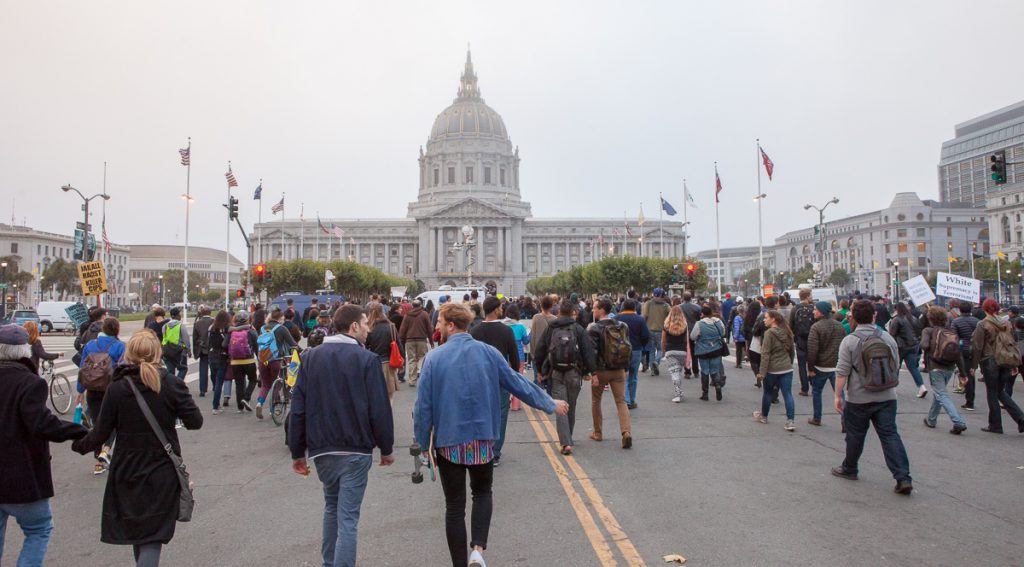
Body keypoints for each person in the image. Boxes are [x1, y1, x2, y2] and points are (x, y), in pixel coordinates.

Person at [414, 303, 568, 567]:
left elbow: (422, 408)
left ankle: (459, 563)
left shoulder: (434, 358)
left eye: (439, 322)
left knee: (454, 506)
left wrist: (423, 444)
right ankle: (478, 549)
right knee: (482, 492)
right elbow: (517, 383)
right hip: (483, 437)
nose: (437, 327)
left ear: (451, 325)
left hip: (449, 441)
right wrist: (549, 403)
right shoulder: (489, 353)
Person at [72, 331, 203, 566]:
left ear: (129, 354)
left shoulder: (117, 387)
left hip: (126, 469)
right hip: (161, 470)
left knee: (139, 534)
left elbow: (101, 432)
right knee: (152, 537)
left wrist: (78, 444)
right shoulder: (170, 384)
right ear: (157, 353)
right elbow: (195, 421)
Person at [288, 305, 395, 567]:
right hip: (355, 447)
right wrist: (386, 447)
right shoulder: (366, 360)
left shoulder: (311, 357)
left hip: (322, 448)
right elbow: (379, 409)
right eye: (364, 324)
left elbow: (298, 407)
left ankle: (329, 562)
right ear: (353, 327)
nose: (368, 329)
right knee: (348, 517)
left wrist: (296, 451)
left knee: (331, 508)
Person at [0, 324, 88, 567]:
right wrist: (80, 431)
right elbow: (42, 424)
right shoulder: (29, 383)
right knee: (38, 530)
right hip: (22, 475)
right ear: (23, 351)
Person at [831, 299, 913, 495]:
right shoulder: (886, 337)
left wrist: (837, 396)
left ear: (853, 317)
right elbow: (896, 363)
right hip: (886, 395)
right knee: (890, 435)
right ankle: (903, 476)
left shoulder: (850, 340)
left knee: (855, 435)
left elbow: (842, 372)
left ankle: (850, 467)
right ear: (874, 316)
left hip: (859, 396)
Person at [534, 299, 597, 455]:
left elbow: (540, 349)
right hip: (574, 372)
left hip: (556, 372)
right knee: (571, 406)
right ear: (573, 313)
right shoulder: (578, 329)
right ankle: (569, 438)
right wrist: (592, 372)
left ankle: (566, 442)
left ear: (559, 312)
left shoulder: (551, 328)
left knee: (560, 406)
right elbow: (587, 351)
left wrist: (540, 371)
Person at [471, 296, 521, 464]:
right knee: (500, 414)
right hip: (500, 379)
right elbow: (514, 358)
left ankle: (482, 447)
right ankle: (495, 452)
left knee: (481, 412)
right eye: (500, 307)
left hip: (479, 380)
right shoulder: (506, 331)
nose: (502, 310)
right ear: (495, 310)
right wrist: (513, 379)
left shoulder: (475, 331)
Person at [78, 317, 127, 474]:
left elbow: (82, 368)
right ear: (117, 329)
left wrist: (80, 391)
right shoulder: (120, 346)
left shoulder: (90, 345)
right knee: (114, 421)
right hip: (111, 389)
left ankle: (98, 459)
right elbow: (123, 369)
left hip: (92, 389)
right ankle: (106, 450)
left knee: (97, 423)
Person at [970, 298, 1024, 434]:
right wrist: (1015, 362)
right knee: (1001, 391)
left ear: (984, 309)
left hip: (990, 360)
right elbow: (1013, 341)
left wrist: (974, 365)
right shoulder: (1006, 323)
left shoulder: (983, 324)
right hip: (1006, 359)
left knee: (992, 392)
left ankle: (995, 424)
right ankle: (1020, 417)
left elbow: (977, 346)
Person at [586, 298, 633, 445]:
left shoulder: (594, 328)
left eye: (595, 308)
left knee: (596, 401)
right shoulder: (622, 326)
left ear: (601, 310)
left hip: (601, 370)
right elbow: (627, 347)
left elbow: (592, 352)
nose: (593, 310)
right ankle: (626, 432)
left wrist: (592, 372)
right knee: (621, 401)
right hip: (618, 368)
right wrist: (626, 367)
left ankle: (598, 432)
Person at [920, 306, 967, 434]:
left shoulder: (928, 330)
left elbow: (924, 345)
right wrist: (963, 373)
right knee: (939, 393)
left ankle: (958, 421)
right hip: (950, 367)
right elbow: (958, 354)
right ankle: (931, 419)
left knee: (941, 394)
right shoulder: (951, 333)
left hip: (935, 366)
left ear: (930, 319)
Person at [753, 310, 796, 431]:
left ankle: (764, 416)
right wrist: (789, 363)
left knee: (767, 392)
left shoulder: (769, 333)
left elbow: (765, 353)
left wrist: (762, 372)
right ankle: (790, 420)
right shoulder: (787, 331)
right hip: (786, 367)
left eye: (766, 318)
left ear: (773, 319)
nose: (764, 320)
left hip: (772, 368)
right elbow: (791, 351)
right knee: (787, 394)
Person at [806, 301, 846, 427]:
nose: (813, 311)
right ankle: (845, 418)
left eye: (815, 309)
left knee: (817, 392)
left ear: (821, 312)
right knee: (840, 393)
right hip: (836, 364)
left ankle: (817, 417)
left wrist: (810, 368)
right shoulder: (839, 326)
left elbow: (812, 349)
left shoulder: (816, 327)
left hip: (821, 365)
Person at [256, 308, 298, 420]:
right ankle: (272, 409)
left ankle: (259, 403)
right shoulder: (281, 328)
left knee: (265, 384)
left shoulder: (262, 328)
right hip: (276, 360)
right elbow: (292, 343)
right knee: (277, 384)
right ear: (280, 318)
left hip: (263, 360)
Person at [615, 299, 650, 410]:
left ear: (623, 307)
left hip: (620, 351)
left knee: (622, 376)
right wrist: (642, 345)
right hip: (636, 349)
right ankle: (631, 399)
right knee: (633, 376)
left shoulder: (616, 319)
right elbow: (645, 335)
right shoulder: (640, 319)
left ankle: (626, 399)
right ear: (634, 308)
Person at [889, 302, 929, 398]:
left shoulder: (897, 319)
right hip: (914, 345)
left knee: (896, 366)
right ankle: (921, 386)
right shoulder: (913, 318)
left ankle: (893, 388)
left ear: (897, 309)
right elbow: (918, 330)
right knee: (913, 367)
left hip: (901, 346)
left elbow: (892, 333)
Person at [365, 302, 401, 401]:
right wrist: (402, 362)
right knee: (389, 395)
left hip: (373, 364)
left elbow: (364, 346)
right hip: (389, 363)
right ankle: (387, 415)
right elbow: (398, 344)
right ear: (383, 312)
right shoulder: (391, 326)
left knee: (374, 396)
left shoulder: (369, 328)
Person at [224, 311, 258, 413]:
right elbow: (257, 346)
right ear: (248, 319)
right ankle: (246, 398)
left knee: (239, 383)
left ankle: (240, 407)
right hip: (249, 360)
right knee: (253, 380)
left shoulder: (231, 331)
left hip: (235, 362)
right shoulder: (251, 331)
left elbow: (224, 344)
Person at [691, 304, 727, 402]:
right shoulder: (718, 321)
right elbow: (723, 333)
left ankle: (705, 394)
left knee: (705, 370)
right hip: (716, 349)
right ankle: (718, 385)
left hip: (703, 350)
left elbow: (693, 336)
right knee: (715, 370)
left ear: (702, 314)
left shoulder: (699, 324)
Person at [398, 299, 433, 387]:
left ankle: (412, 380)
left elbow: (403, 329)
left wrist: (401, 340)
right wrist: (431, 341)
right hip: (421, 340)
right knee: (422, 357)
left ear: (412, 306)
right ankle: (419, 371)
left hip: (410, 340)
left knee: (411, 359)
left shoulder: (407, 315)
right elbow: (429, 328)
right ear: (420, 305)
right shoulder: (424, 314)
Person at [661, 304, 692, 403]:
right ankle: (679, 391)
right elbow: (686, 340)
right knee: (678, 372)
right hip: (682, 351)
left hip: (670, 351)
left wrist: (663, 351)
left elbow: (663, 340)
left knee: (675, 373)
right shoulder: (685, 325)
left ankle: (678, 394)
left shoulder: (666, 325)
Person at [951, 304, 980, 406]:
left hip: (963, 350)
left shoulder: (956, 322)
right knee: (971, 373)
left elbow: (954, 338)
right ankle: (970, 398)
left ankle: (970, 401)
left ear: (960, 310)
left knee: (966, 374)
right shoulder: (977, 321)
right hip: (975, 349)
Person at [529, 295, 558, 386]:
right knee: (550, 383)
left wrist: (532, 354)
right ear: (551, 306)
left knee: (538, 382)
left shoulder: (536, 317)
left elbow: (532, 336)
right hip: (550, 355)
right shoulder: (555, 319)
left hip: (538, 354)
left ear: (541, 305)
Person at [207, 310, 232, 414]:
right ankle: (215, 406)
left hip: (212, 355)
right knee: (219, 382)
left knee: (214, 379)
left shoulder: (211, 328)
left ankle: (216, 405)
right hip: (222, 356)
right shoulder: (225, 329)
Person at [641, 288, 670, 376]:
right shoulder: (666, 305)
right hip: (662, 330)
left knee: (651, 350)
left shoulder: (648, 303)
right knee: (661, 349)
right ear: (662, 295)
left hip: (649, 330)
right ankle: (656, 362)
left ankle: (652, 369)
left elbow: (644, 316)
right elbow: (671, 316)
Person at [159, 307, 190, 380]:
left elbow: (164, 336)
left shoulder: (165, 326)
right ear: (176, 316)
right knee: (183, 368)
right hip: (179, 351)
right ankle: (178, 383)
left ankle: (171, 386)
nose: (180, 316)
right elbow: (186, 339)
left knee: (170, 371)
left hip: (167, 352)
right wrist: (188, 349)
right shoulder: (181, 326)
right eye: (179, 314)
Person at [192, 306, 214, 397]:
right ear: (210, 312)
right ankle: (215, 385)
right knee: (214, 369)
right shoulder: (214, 322)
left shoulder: (197, 323)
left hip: (202, 349)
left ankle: (202, 389)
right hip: (213, 349)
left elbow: (194, 338)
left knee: (203, 370)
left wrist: (195, 352)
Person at [680, 293, 702, 378]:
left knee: (686, 352)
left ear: (683, 298)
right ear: (691, 298)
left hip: (683, 331)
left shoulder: (679, 307)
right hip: (694, 330)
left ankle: (687, 371)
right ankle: (696, 371)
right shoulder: (697, 307)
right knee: (694, 352)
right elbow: (699, 319)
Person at [731, 305, 746, 369]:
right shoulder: (746, 316)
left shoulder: (737, 318)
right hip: (746, 337)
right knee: (746, 349)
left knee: (738, 351)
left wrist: (735, 337)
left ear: (737, 310)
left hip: (740, 337)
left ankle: (738, 363)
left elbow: (737, 328)